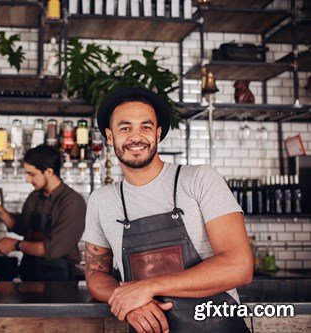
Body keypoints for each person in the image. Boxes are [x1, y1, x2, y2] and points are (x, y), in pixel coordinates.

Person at [82, 87, 253, 333]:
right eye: (125, 127)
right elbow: (96, 275)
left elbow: (239, 266)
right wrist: (126, 300)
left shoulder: (199, 180)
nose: (136, 136)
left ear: (158, 133)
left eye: (146, 126)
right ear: (110, 136)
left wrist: (146, 288)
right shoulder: (101, 201)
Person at [0, 144, 86, 281]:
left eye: (32, 174)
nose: (28, 179)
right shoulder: (35, 197)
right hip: (29, 274)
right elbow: (22, 227)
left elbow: (52, 251)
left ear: (49, 172)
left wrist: (15, 244)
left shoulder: (72, 202)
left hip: (58, 280)